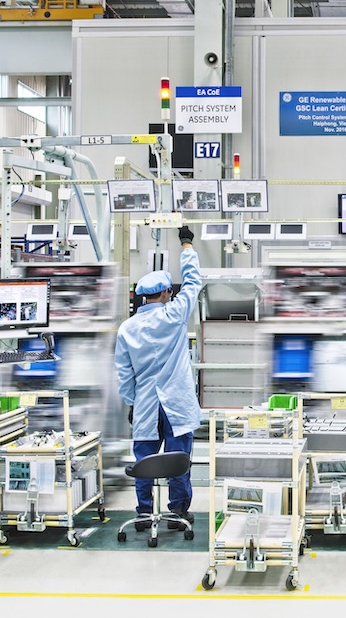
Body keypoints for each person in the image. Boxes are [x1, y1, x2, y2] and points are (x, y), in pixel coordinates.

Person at [115, 225, 203, 529]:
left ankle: (143, 513)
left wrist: (131, 402)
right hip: (176, 403)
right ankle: (178, 513)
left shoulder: (127, 329)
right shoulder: (174, 315)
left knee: (144, 462)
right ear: (166, 293)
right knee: (178, 460)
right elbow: (193, 282)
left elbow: (124, 373)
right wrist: (186, 245)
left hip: (145, 404)